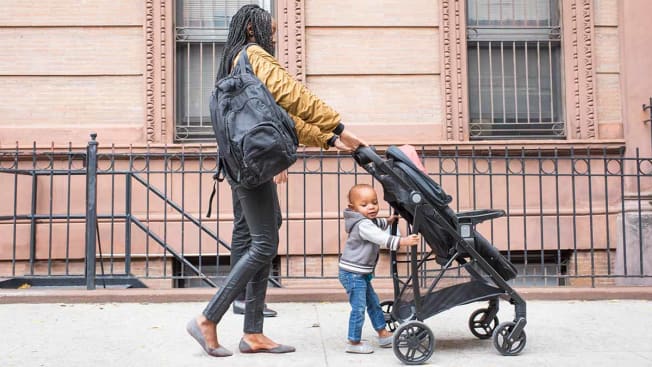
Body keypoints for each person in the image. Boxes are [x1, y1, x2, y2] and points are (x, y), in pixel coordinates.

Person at [186, 4, 365, 357]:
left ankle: (253, 332)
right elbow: (292, 96)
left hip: (243, 163)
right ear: (252, 30)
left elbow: (280, 118)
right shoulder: (254, 55)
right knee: (264, 242)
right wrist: (338, 125)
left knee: (265, 233)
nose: (274, 34)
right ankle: (208, 318)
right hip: (251, 166)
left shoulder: (234, 62)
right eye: (269, 28)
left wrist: (328, 139)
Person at [339, 184, 420, 354]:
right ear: (352, 208)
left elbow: (378, 223)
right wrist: (403, 241)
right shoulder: (363, 225)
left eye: (374, 202)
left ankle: (383, 334)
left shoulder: (369, 221)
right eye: (365, 204)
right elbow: (380, 238)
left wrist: (389, 221)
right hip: (352, 274)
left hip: (360, 273)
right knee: (359, 308)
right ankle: (353, 342)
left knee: (374, 304)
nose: (371, 207)